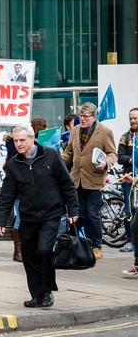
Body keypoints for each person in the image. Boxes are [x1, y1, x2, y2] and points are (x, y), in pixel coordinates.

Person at [0, 124, 79, 308]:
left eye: (22, 140)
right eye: (15, 141)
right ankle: (37, 295)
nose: (18, 144)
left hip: (51, 214)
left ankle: (47, 291)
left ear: (32, 138)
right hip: (27, 217)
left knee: (44, 250)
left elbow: (67, 184)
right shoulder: (13, 164)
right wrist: (1, 219)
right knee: (29, 256)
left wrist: (73, 210)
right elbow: (7, 194)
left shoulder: (51, 155)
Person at [61, 102, 117, 260]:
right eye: (80, 115)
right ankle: (84, 244)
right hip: (77, 179)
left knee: (92, 215)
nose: (82, 119)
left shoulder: (105, 131)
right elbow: (69, 153)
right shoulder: (75, 130)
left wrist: (106, 163)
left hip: (94, 178)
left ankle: (97, 246)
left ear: (94, 117)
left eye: (86, 116)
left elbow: (112, 154)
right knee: (81, 214)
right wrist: (57, 160)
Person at [117, 108, 138, 253]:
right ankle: (130, 241)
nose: (133, 121)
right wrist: (132, 159)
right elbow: (120, 157)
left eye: (135, 118)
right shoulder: (125, 137)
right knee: (129, 210)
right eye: (131, 118)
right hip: (128, 178)